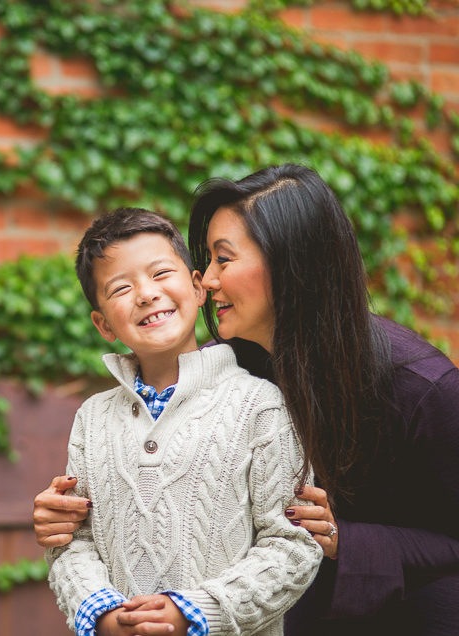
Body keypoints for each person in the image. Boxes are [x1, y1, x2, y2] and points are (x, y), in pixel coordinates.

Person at [34, 164, 459, 635]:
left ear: (289, 262)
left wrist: (344, 539)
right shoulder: (223, 369)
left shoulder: (424, 387)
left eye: (223, 259)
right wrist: (66, 520)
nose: (207, 279)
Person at [45, 207, 320, 636]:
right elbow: (72, 542)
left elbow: (293, 545)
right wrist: (99, 615)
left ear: (197, 288)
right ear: (103, 324)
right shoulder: (93, 418)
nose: (145, 294)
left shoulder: (260, 405)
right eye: (121, 288)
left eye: (160, 274)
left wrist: (193, 611)